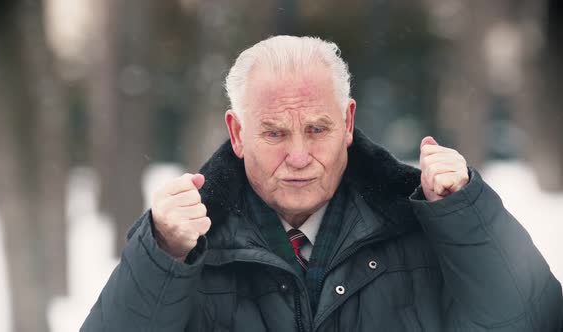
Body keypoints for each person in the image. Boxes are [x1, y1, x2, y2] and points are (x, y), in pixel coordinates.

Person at [81, 36, 562, 331]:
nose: (298, 157)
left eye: (317, 129)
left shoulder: (424, 225)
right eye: (273, 133)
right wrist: (162, 254)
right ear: (238, 133)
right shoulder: (186, 247)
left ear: (348, 123)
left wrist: (464, 214)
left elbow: (532, 320)